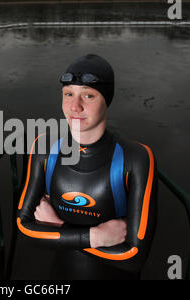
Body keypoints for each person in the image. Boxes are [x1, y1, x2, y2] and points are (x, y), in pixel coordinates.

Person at [16, 54, 157, 280]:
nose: (75, 106)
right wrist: (94, 237)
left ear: (106, 100)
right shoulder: (44, 148)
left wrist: (58, 229)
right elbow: (23, 228)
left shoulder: (135, 158)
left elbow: (134, 258)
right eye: (68, 94)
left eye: (88, 96)